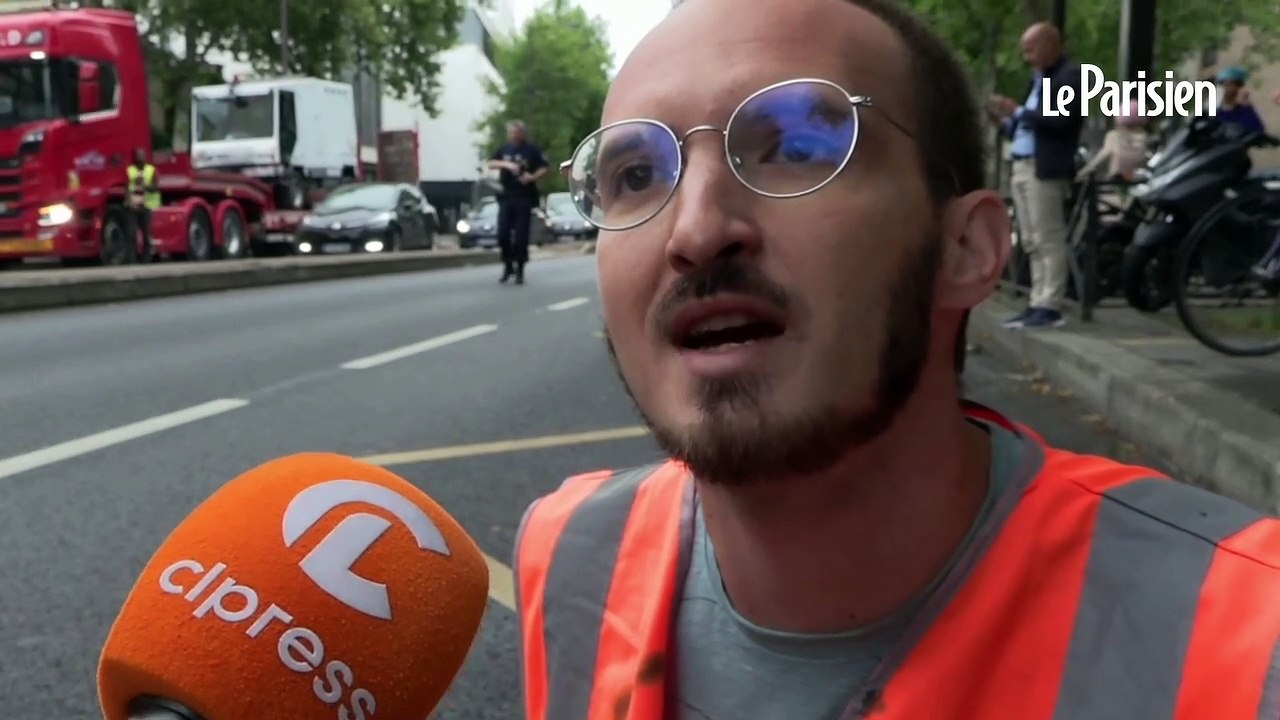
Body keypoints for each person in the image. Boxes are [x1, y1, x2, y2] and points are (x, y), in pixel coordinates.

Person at [512, 1, 1280, 718]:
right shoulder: (566, 547)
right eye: (636, 176)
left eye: (798, 147)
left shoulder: (1246, 635)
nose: (696, 230)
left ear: (968, 247)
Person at [987, 23, 1084, 330]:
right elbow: (1027, 123)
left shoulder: (1070, 76)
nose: (1026, 56)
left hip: (1045, 166)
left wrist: (1017, 112)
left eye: (1031, 49)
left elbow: (1060, 120)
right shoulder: (1037, 79)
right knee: (1030, 238)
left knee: (1048, 236)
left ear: (1050, 45)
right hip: (1022, 161)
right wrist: (1004, 119)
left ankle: (1050, 303)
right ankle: (1036, 299)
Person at [486, 120, 548, 284]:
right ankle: (507, 264)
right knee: (503, 234)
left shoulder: (531, 150)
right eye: (511, 132)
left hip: (524, 197)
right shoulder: (504, 149)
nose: (513, 135)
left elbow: (544, 167)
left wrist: (532, 177)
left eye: (516, 132)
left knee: (521, 235)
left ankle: (520, 268)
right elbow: (491, 163)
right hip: (506, 196)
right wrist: (506, 164)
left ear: (522, 133)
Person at [1075, 99, 1150, 183]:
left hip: (1116, 181)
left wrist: (1082, 172)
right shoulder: (1145, 137)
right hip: (1140, 181)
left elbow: (1101, 157)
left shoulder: (1114, 136)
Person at [126, 148, 160, 262]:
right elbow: (126, 188)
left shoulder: (151, 170)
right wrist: (128, 201)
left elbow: (156, 187)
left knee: (146, 233)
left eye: (141, 156)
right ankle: (132, 259)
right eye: (137, 156)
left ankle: (146, 259)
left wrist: (145, 185)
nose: (139, 158)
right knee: (131, 233)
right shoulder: (130, 170)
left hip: (146, 205)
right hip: (133, 206)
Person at [1213, 65, 1265, 133]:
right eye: (1222, 84)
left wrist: (1246, 104)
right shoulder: (1213, 113)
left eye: (1229, 84)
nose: (1225, 88)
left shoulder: (1244, 110)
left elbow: (1257, 130)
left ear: (1238, 88)